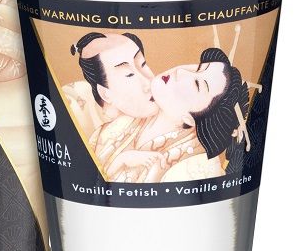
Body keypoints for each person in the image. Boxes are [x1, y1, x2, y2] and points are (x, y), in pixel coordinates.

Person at [95, 47, 250, 183]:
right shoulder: (127, 119)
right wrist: (122, 159)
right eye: (198, 68)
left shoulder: (196, 167)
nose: (181, 71)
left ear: (191, 119)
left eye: (197, 84)